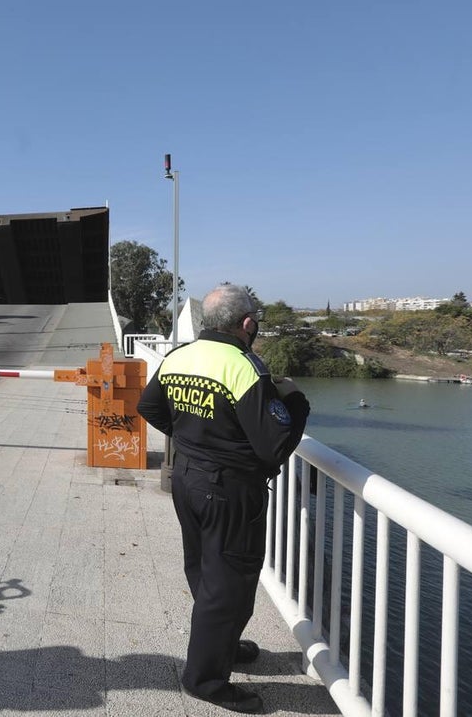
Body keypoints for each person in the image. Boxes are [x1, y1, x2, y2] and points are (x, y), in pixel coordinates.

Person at [137, 284, 310, 714]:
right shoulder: (244, 367)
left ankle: (221, 645)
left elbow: (150, 407)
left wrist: (192, 439)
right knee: (229, 583)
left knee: (202, 568)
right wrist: (296, 401)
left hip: (187, 480)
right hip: (228, 490)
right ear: (247, 324)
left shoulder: (180, 356)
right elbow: (275, 444)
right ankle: (206, 680)